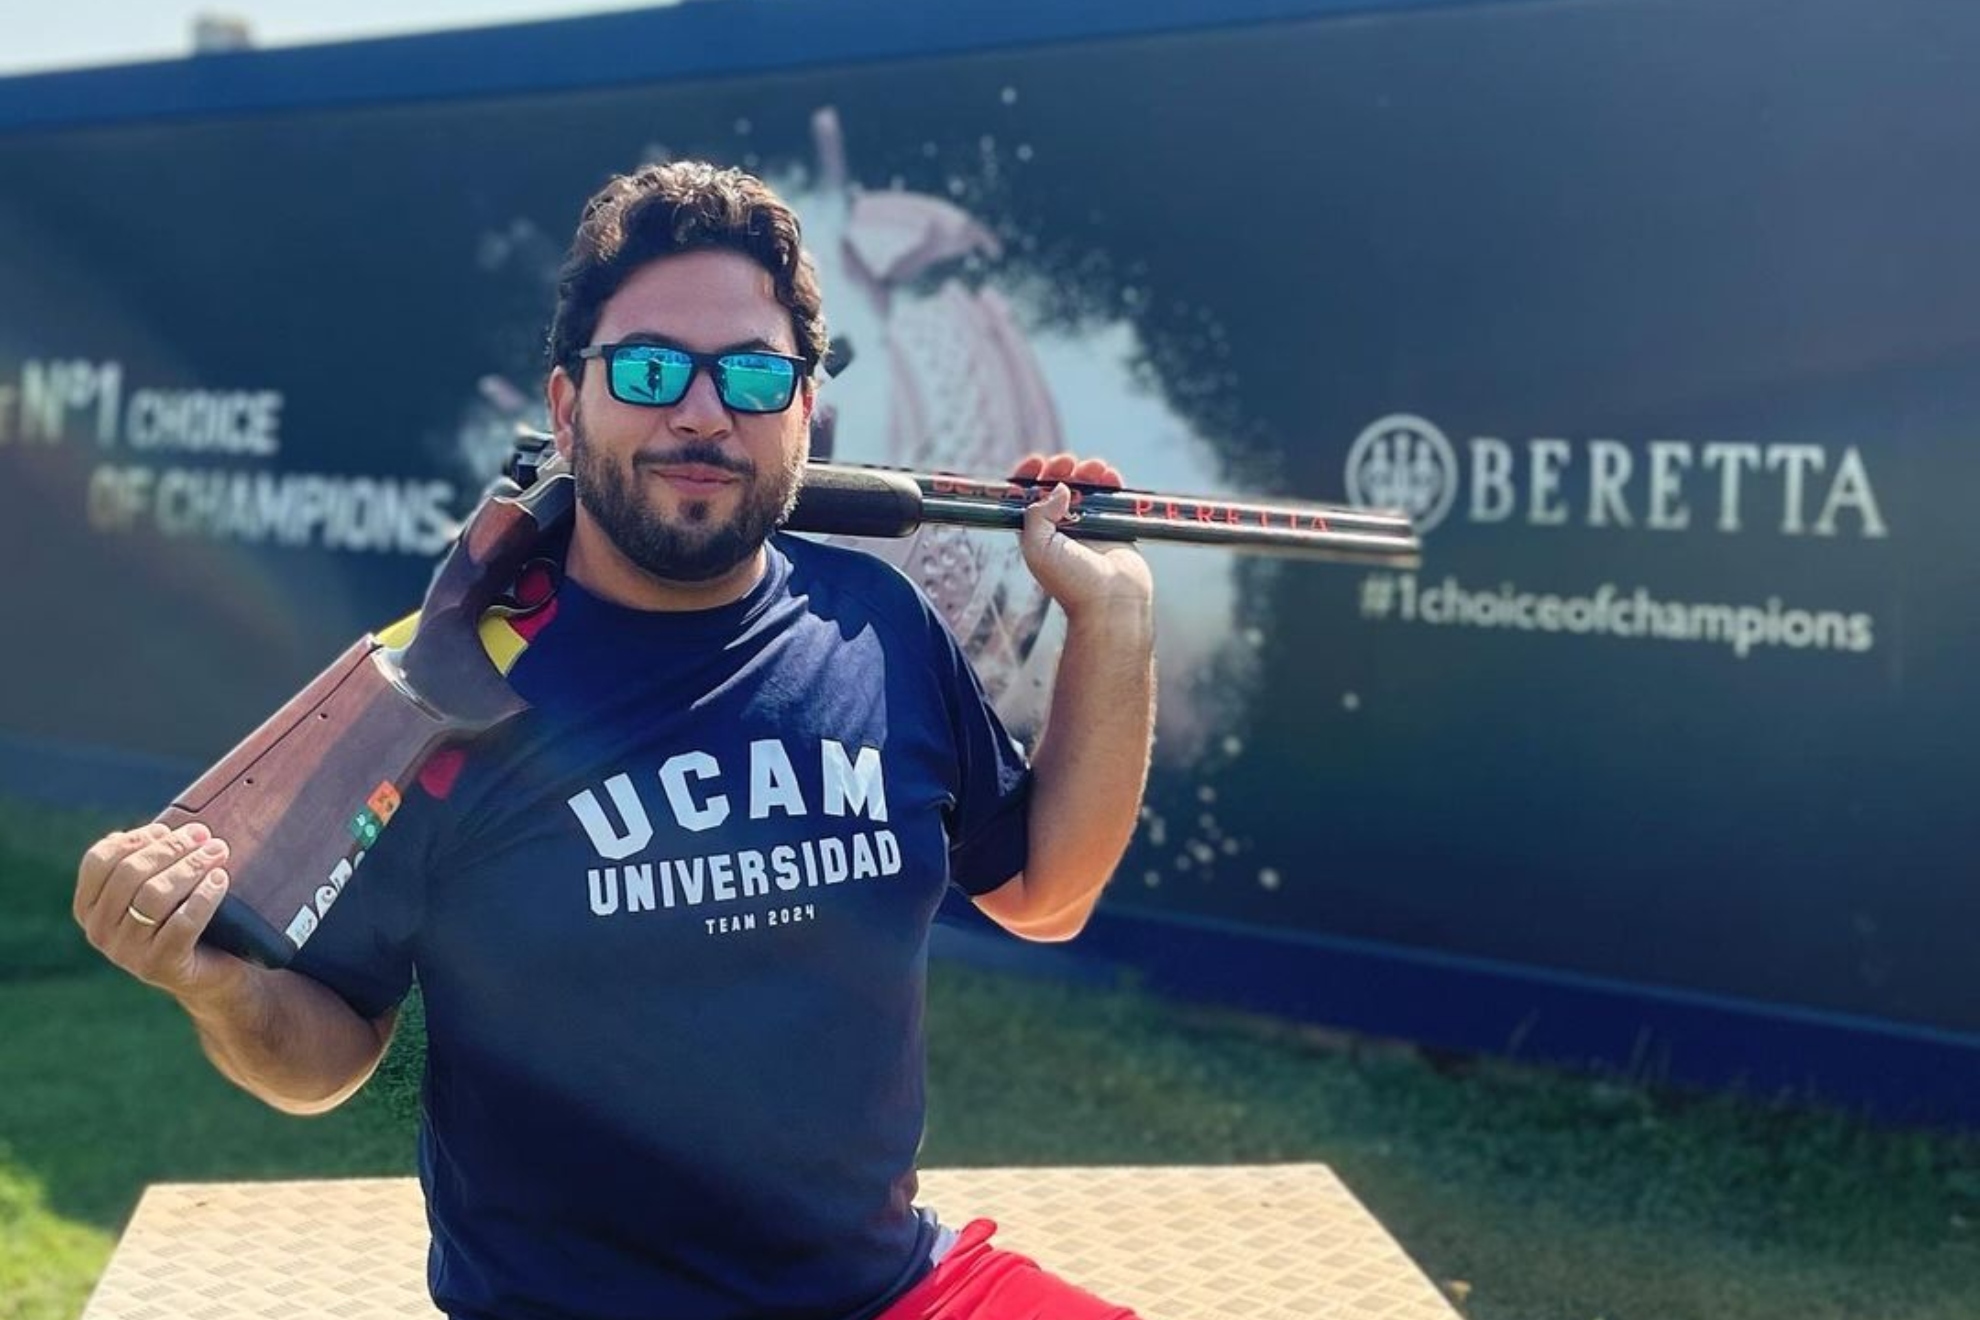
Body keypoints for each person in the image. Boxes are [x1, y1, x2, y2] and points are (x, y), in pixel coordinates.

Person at [74, 160, 1156, 1320]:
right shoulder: (447, 680)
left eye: (751, 374)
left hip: (887, 1292)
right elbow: (326, 1054)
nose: (701, 412)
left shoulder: (882, 624)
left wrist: (1114, 613)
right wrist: (219, 991)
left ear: (803, 411)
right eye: (647, 369)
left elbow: (1045, 893)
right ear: (564, 404)